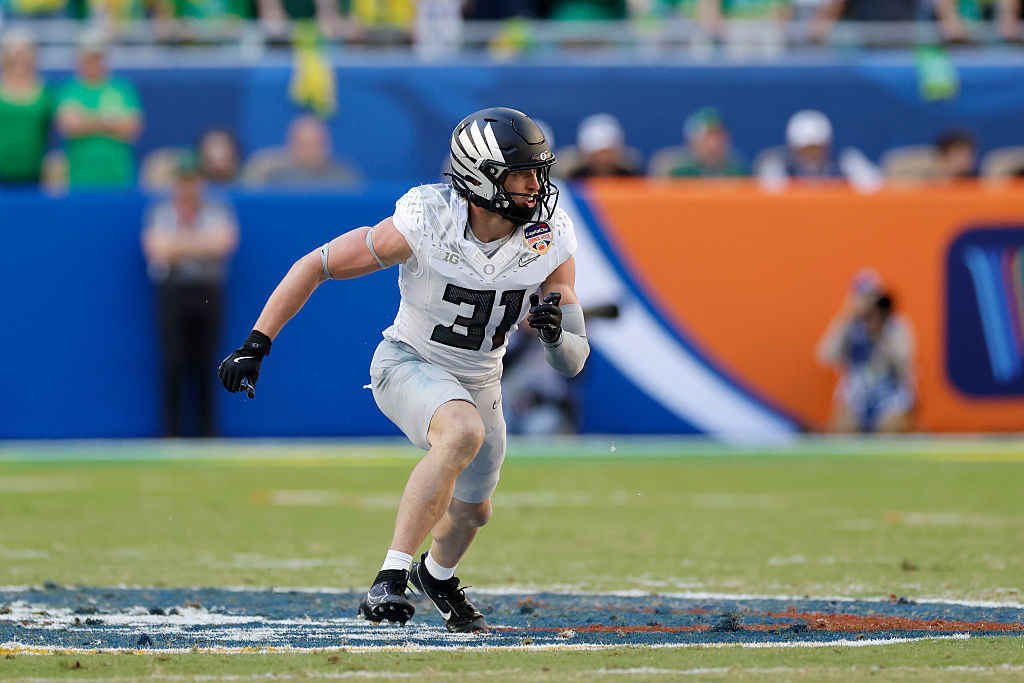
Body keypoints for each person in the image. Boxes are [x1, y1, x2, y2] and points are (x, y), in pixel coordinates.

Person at [218, 107, 588, 632]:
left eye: (537, 171)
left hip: (481, 379)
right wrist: (257, 342)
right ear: (481, 177)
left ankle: (436, 576)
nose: (536, 186)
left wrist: (554, 334)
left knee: (472, 514)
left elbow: (571, 362)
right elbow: (316, 265)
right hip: (408, 361)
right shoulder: (426, 222)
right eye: (522, 173)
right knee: (460, 432)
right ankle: (389, 579)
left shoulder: (548, 238)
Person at [143, 153, 239, 437]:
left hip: (207, 290)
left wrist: (178, 245)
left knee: (208, 361)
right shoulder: (160, 211)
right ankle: (170, 432)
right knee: (173, 360)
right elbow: (157, 249)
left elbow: (223, 244)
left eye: (192, 180)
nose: (187, 187)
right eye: (182, 180)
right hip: (172, 290)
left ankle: (207, 433)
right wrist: (199, 243)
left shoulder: (217, 209)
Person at [816, 269, 916, 433]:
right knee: (842, 433)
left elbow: (904, 363)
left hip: (889, 392)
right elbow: (825, 356)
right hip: (857, 392)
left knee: (888, 434)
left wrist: (880, 330)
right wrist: (847, 319)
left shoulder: (895, 326)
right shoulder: (849, 324)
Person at [55, 30, 143, 189]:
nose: (92, 63)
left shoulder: (122, 88)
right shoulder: (70, 89)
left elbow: (131, 127)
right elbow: (69, 125)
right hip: (80, 178)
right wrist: (110, 121)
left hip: (118, 177)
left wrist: (86, 120)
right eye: (87, 58)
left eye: (97, 58)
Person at [757, 109, 880, 191]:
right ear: (793, 148)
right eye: (805, 149)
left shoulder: (846, 163)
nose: (811, 155)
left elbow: (873, 188)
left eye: (816, 149)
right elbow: (771, 195)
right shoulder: (778, 167)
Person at [0, 29, 55, 187]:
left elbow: (52, 136)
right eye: (15, 54)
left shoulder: (45, 91)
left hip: (34, 175)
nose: (20, 59)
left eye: (25, 53)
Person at [244, 114, 360, 188]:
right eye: (305, 144)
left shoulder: (343, 175)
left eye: (318, 143)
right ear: (291, 143)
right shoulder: (265, 169)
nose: (312, 150)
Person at [650, 107, 747, 178]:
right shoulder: (672, 167)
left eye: (719, 134)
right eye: (709, 135)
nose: (715, 141)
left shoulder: (736, 168)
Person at [563, 113, 642, 179]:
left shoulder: (633, 177)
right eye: (596, 154)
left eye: (609, 153)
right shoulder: (569, 181)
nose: (603, 159)